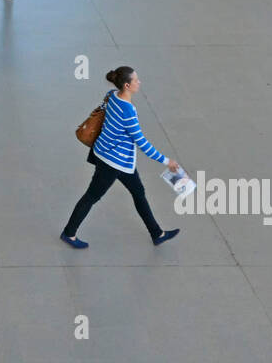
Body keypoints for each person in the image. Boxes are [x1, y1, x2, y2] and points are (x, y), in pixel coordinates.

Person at [61, 66, 182, 249]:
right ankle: (69, 233)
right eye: (136, 80)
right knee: (91, 196)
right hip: (112, 162)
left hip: (116, 157)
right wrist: (167, 161)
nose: (139, 82)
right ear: (127, 85)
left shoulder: (112, 95)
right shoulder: (129, 112)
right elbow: (141, 143)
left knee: (138, 193)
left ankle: (157, 233)